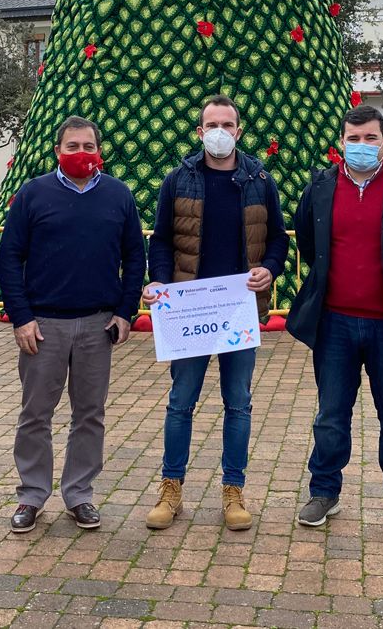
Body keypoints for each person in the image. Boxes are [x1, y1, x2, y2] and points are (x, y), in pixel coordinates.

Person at [286, 105, 383, 537]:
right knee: (331, 414)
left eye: (370, 138)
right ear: (341, 144)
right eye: (353, 139)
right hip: (334, 323)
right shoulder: (320, 189)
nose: (361, 146)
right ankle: (324, 492)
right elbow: (307, 239)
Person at [140, 95, 290, 531]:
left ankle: (233, 491)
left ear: (239, 132)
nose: (219, 131)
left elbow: (278, 238)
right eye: (212, 124)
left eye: (228, 123)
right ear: (200, 131)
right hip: (189, 312)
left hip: (238, 312)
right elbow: (162, 239)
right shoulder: (179, 179)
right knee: (180, 403)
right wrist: (161, 281)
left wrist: (270, 269)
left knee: (238, 404)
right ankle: (171, 490)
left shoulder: (260, 180)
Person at [0, 116, 146, 533]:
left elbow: (135, 256)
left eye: (88, 146)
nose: (81, 154)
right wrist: (21, 317)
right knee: (35, 414)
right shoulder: (33, 194)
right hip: (43, 326)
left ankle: (79, 494)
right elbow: (9, 257)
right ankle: (31, 494)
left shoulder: (118, 195)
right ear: (57, 151)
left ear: (99, 150)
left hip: (98, 324)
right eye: (72, 147)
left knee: (89, 414)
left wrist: (124, 311)